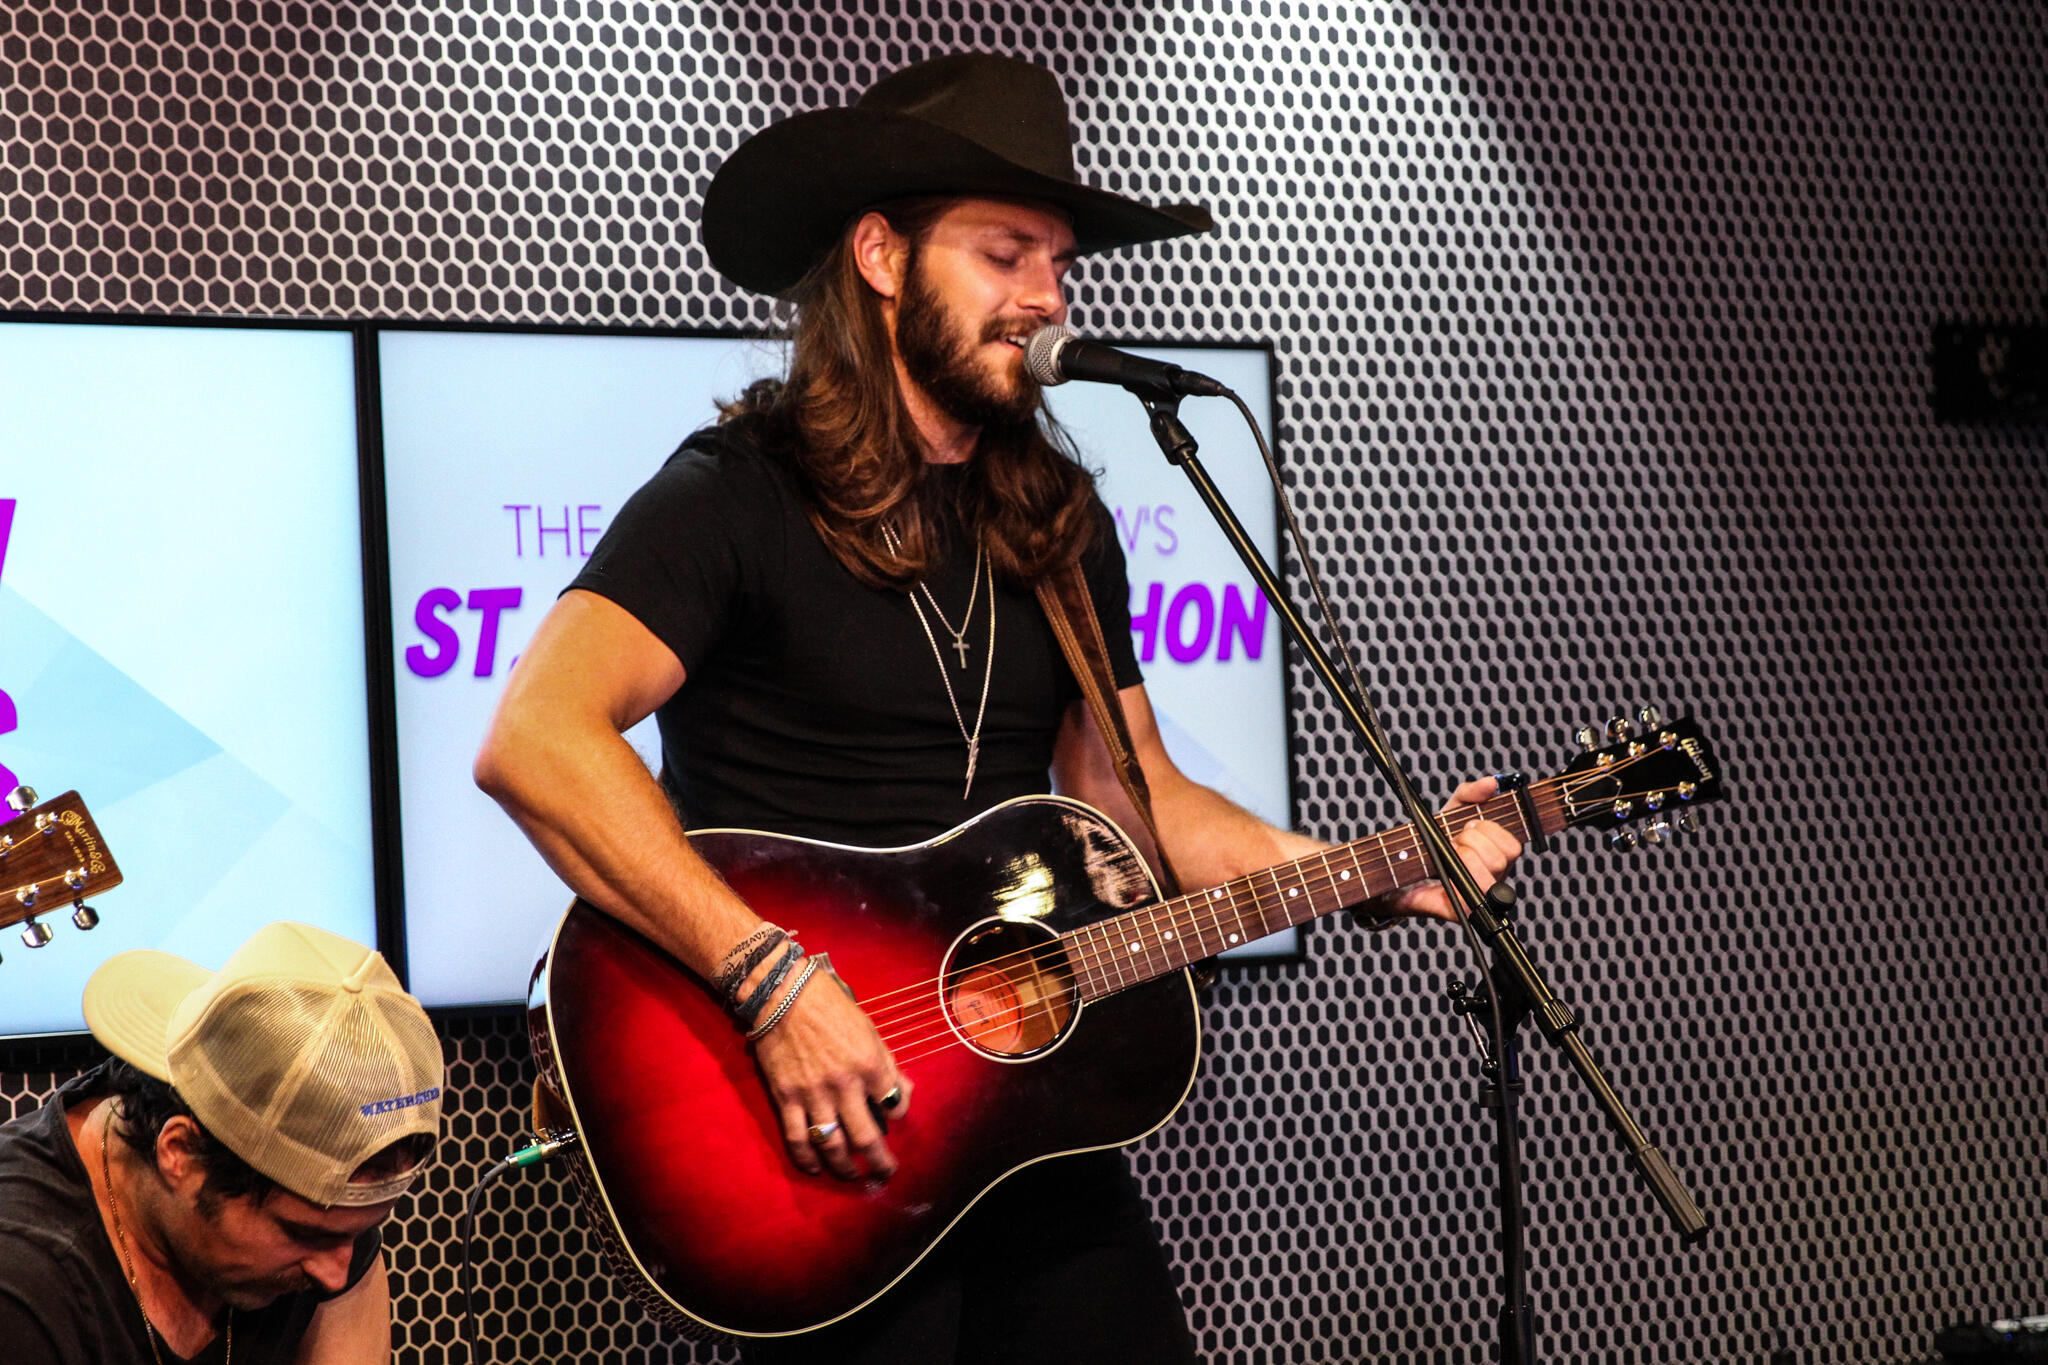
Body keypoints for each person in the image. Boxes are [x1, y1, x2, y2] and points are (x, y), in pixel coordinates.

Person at [474, 51, 1521, 1363]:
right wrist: (771, 982)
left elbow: (1141, 802)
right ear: (880, 256)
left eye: (1061, 263)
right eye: (1005, 253)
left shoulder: (1058, 526)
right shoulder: (734, 495)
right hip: (816, 1128)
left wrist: (1374, 869)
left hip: (1022, 1122)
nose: (1045, 297)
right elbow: (537, 738)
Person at [0, 921, 444, 1364]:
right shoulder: (23, 1286)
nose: (336, 1275)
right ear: (181, 1153)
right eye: (302, 1233)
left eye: (361, 1230)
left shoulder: (330, 1219)